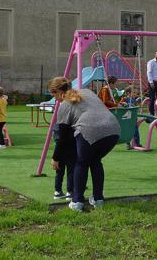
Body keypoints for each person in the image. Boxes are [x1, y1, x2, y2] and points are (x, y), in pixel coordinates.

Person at [49, 77, 120, 211]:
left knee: (81, 163)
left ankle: (77, 202)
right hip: (113, 130)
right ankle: (98, 199)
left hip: (90, 130)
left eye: (54, 96)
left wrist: (56, 158)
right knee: (95, 161)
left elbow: (62, 138)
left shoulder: (65, 105)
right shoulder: (87, 92)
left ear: (58, 91)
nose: (55, 100)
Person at [52, 118, 77, 200]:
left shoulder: (58, 125)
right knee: (70, 171)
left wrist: (55, 157)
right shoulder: (68, 126)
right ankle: (69, 192)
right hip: (70, 151)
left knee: (59, 172)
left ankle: (57, 191)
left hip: (60, 151)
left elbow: (57, 141)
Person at [146, 50, 157, 115]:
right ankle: (151, 113)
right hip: (152, 82)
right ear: (155, 55)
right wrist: (151, 82)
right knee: (152, 98)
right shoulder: (151, 62)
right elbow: (149, 72)